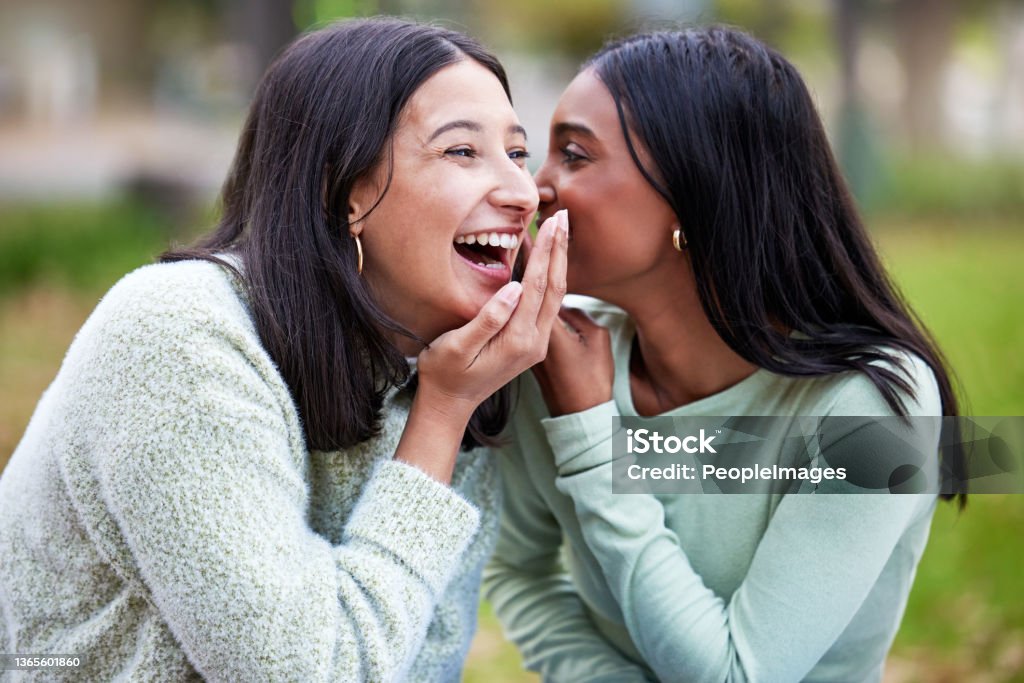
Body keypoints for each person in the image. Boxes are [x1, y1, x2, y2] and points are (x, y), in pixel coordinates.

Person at [0, 17, 569, 682]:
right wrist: (441, 415)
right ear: (345, 189)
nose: (521, 193)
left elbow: (423, 660)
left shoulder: (453, 359)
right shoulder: (178, 334)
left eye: (517, 153)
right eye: (462, 153)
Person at [484, 26, 966, 683]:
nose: (535, 188)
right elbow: (519, 569)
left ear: (693, 189)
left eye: (574, 153)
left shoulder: (877, 407)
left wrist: (592, 436)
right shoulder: (556, 353)